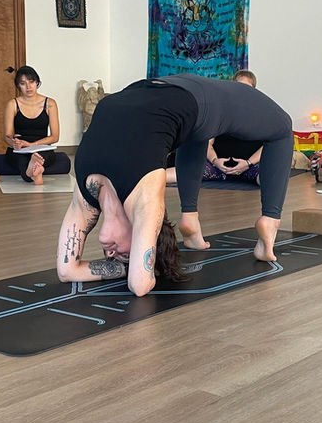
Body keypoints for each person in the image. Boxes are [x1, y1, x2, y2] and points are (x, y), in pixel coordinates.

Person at [57, 73, 293, 296]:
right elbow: (138, 284)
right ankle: (262, 221)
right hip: (167, 96)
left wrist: (125, 266)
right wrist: (130, 267)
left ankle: (219, 220)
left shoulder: (86, 196)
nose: (112, 255)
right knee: (281, 127)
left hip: (157, 93)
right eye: (127, 255)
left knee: (200, 128)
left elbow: (68, 271)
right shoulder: (143, 198)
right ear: (145, 232)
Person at [166, 69, 262, 184]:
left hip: (249, 167)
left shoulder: (261, 114)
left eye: (247, 88)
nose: (242, 92)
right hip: (218, 166)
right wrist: (215, 161)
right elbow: (207, 143)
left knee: (269, 178)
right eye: (239, 87)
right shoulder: (219, 112)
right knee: (181, 173)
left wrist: (248, 163)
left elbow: (268, 145)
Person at [3, 65, 60, 185]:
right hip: (20, 149)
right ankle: (35, 171)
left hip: (41, 146)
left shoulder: (50, 103)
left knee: (42, 156)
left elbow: (55, 137)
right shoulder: (12, 104)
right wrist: (14, 143)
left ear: (37, 82)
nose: (28, 87)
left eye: (31, 82)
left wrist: (32, 145)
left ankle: (32, 171)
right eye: (23, 83)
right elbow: (7, 136)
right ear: (18, 86)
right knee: (22, 161)